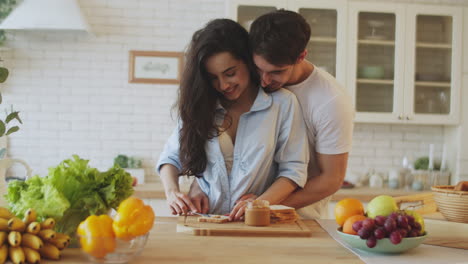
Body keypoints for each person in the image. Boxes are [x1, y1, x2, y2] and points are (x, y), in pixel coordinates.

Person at [189, 10, 354, 219]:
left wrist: (264, 203)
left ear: (301, 56)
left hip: (299, 218)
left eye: (276, 72)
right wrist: (199, 185)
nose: (265, 81)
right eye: (259, 69)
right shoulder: (246, 82)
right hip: (243, 215)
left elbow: (331, 179)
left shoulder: (330, 101)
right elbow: (224, 149)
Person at [156, 19, 309, 220]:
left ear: (248, 61)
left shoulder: (282, 104)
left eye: (230, 73)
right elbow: (171, 158)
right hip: (205, 220)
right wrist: (172, 192)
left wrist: (261, 203)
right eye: (212, 77)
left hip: (257, 222)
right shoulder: (201, 105)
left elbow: (293, 170)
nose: (223, 85)